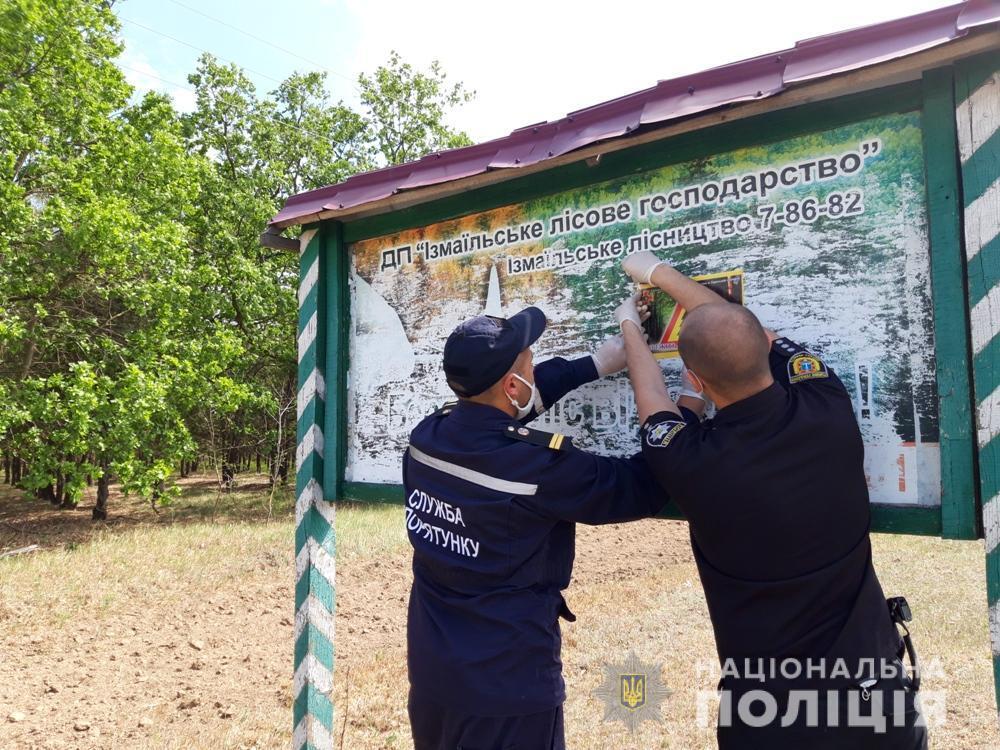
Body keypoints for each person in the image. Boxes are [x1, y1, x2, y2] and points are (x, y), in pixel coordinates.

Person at [615, 251, 926, 749]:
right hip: (872, 696)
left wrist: (631, 327)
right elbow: (751, 333)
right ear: (765, 346)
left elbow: (651, 395)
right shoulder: (826, 402)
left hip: (766, 715)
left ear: (695, 381)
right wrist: (659, 274)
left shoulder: (693, 463)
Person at [404, 307, 667, 750]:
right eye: (530, 362)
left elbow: (499, 415)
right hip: (507, 689)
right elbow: (640, 487)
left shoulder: (426, 439)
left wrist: (596, 365)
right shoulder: (536, 468)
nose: (534, 370)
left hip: (434, 678)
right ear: (512, 384)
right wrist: (687, 411)